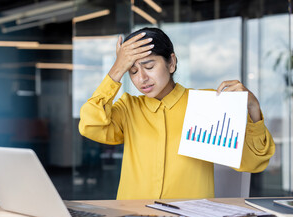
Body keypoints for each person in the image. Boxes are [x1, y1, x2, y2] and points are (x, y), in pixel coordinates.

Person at [78, 27, 275, 200]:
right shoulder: (128, 108)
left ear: (171, 63)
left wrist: (253, 109)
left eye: (149, 66)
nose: (142, 78)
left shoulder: (208, 104)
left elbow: (255, 161)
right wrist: (116, 70)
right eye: (132, 71)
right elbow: (89, 125)